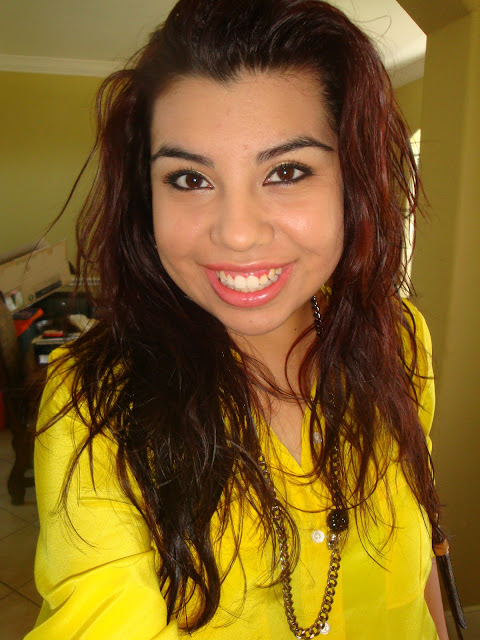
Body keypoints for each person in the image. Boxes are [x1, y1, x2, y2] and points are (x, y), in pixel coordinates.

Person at [26, 1, 449, 638]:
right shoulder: (95, 403)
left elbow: (421, 550)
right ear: (146, 196)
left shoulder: (401, 339)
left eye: (287, 171)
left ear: (352, 182)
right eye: (190, 179)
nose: (238, 233)